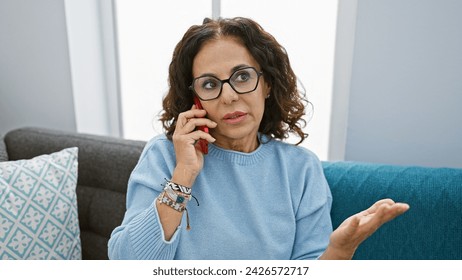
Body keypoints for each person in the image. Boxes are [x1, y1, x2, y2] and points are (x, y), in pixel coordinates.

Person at [108, 17, 409, 260]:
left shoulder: (301, 169)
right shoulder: (165, 155)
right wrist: (184, 175)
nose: (229, 96)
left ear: (266, 84)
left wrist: (340, 251)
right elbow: (128, 263)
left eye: (242, 76)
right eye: (210, 84)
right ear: (194, 99)